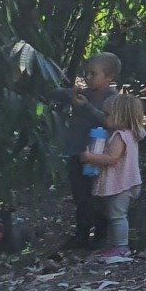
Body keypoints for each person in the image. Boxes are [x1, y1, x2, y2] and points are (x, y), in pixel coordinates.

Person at [59, 52, 121, 249]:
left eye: (93, 74)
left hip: (98, 154)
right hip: (77, 151)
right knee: (80, 195)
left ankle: (101, 234)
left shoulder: (112, 99)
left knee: (97, 195)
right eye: (86, 73)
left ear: (109, 77)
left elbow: (108, 121)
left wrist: (86, 108)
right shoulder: (83, 94)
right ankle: (82, 233)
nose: (88, 78)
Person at [80, 90, 146, 263]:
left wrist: (89, 157)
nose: (104, 117)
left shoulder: (119, 136)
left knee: (117, 215)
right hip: (127, 182)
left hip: (121, 184)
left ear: (120, 116)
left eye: (107, 114)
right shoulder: (131, 134)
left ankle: (122, 248)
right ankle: (116, 245)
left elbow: (112, 158)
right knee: (115, 214)